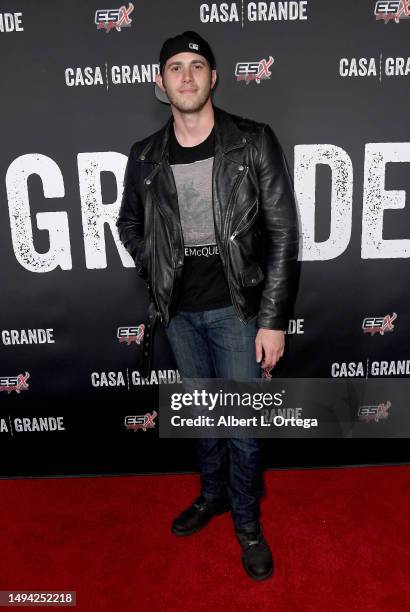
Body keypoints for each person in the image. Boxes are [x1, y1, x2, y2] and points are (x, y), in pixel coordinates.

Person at [116, 30, 299, 581]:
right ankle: (212, 496)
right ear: (160, 82)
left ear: (214, 77)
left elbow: (284, 234)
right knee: (203, 419)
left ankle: (247, 524)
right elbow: (128, 223)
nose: (188, 76)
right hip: (178, 316)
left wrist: (272, 320)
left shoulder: (251, 141)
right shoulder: (145, 156)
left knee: (242, 428)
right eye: (176, 67)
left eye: (198, 65)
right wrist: (156, 264)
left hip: (238, 313)